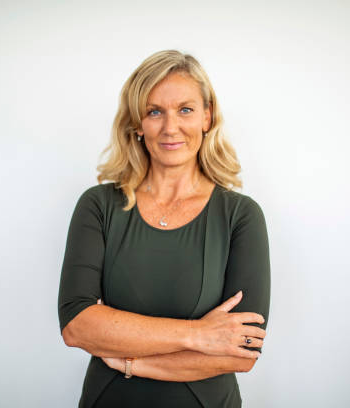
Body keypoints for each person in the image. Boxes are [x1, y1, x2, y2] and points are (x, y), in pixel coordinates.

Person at [57, 50, 270, 408]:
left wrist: (129, 360)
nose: (171, 127)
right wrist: (199, 334)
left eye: (185, 109)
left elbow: (241, 353)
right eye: (154, 111)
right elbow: (77, 325)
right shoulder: (98, 206)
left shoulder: (240, 216)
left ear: (207, 116)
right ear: (137, 124)